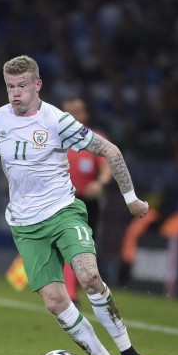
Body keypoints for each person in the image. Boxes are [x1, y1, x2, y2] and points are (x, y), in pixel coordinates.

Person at [0, 55, 161, 355]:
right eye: (10, 87)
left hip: (63, 212)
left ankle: (131, 353)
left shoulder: (57, 121)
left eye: (22, 86)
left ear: (38, 85)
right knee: (55, 302)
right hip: (25, 225)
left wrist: (131, 198)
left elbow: (110, 151)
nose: (15, 93)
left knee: (90, 277)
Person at [61, 97, 112, 306]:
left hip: (87, 202)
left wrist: (99, 183)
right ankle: (70, 293)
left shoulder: (94, 139)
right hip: (62, 200)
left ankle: (77, 290)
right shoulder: (55, 139)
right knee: (68, 245)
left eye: (77, 112)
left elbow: (107, 165)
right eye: (68, 113)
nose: (73, 116)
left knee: (85, 246)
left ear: (85, 114)